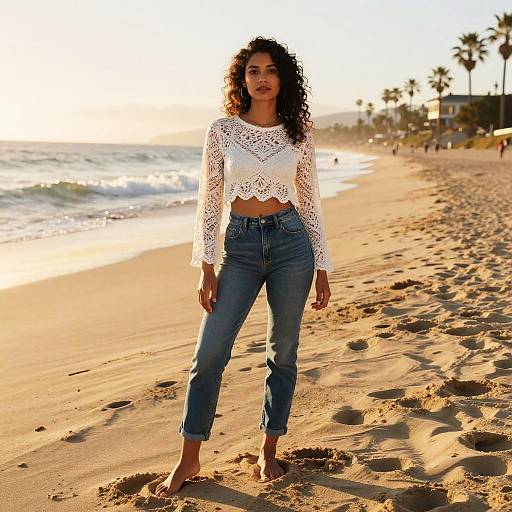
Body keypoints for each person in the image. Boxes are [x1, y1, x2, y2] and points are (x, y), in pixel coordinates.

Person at [155, 37, 333, 497]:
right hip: (239, 246)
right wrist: (206, 265)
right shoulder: (223, 131)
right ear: (242, 79)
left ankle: (269, 449)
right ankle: (188, 458)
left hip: (293, 244)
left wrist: (322, 266)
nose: (262, 78)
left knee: (283, 352)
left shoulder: (299, 132)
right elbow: (210, 200)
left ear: (283, 78)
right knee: (208, 354)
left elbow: (310, 200)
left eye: (271, 70)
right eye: (253, 71)